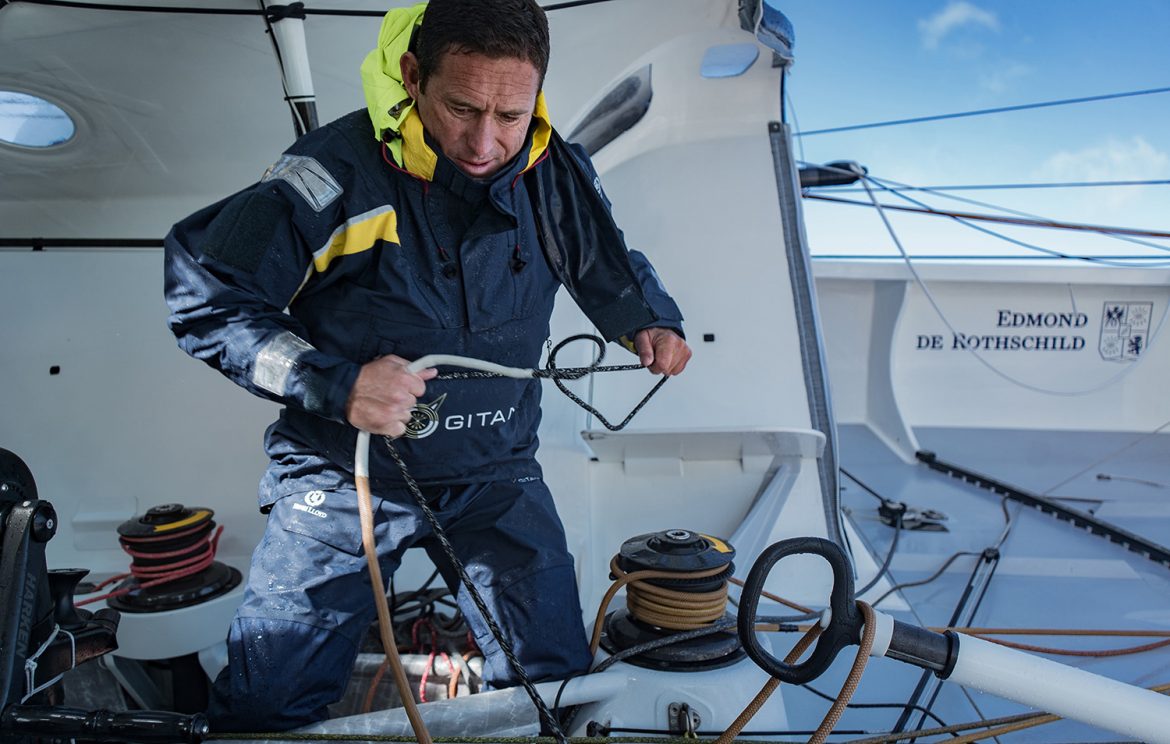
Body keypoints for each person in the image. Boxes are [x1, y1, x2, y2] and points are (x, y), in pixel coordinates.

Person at [164, 0, 690, 732]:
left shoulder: (550, 165)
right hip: (343, 474)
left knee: (557, 692)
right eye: (462, 107)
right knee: (265, 708)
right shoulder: (328, 174)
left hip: (495, 472)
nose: (486, 141)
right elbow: (207, 294)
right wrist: (335, 384)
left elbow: (602, 256)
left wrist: (649, 316)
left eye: (512, 113)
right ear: (413, 77)